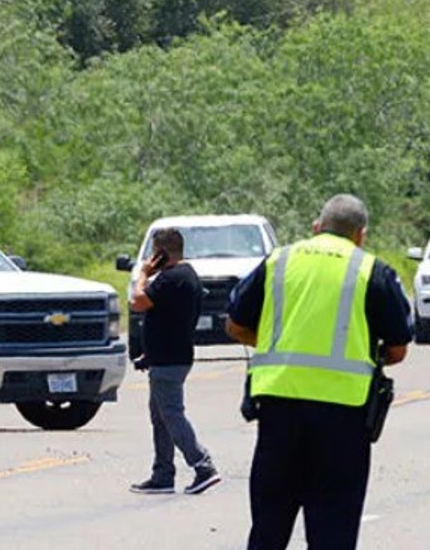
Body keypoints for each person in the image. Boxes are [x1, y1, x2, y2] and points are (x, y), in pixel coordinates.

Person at [225, 194, 412, 550]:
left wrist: (282, 345)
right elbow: (398, 349)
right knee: (333, 532)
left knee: (269, 529)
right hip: (344, 418)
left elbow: (235, 325)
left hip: (279, 412)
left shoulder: (278, 261)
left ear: (316, 227)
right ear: (361, 235)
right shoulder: (372, 270)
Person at [127, 227, 221, 495]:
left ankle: (203, 466)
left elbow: (138, 302)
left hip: (170, 360)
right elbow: (168, 318)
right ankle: (163, 475)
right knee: (160, 417)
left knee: (171, 414)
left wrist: (143, 275)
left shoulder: (172, 278)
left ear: (160, 253)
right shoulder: (184, 275)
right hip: (168, 356)